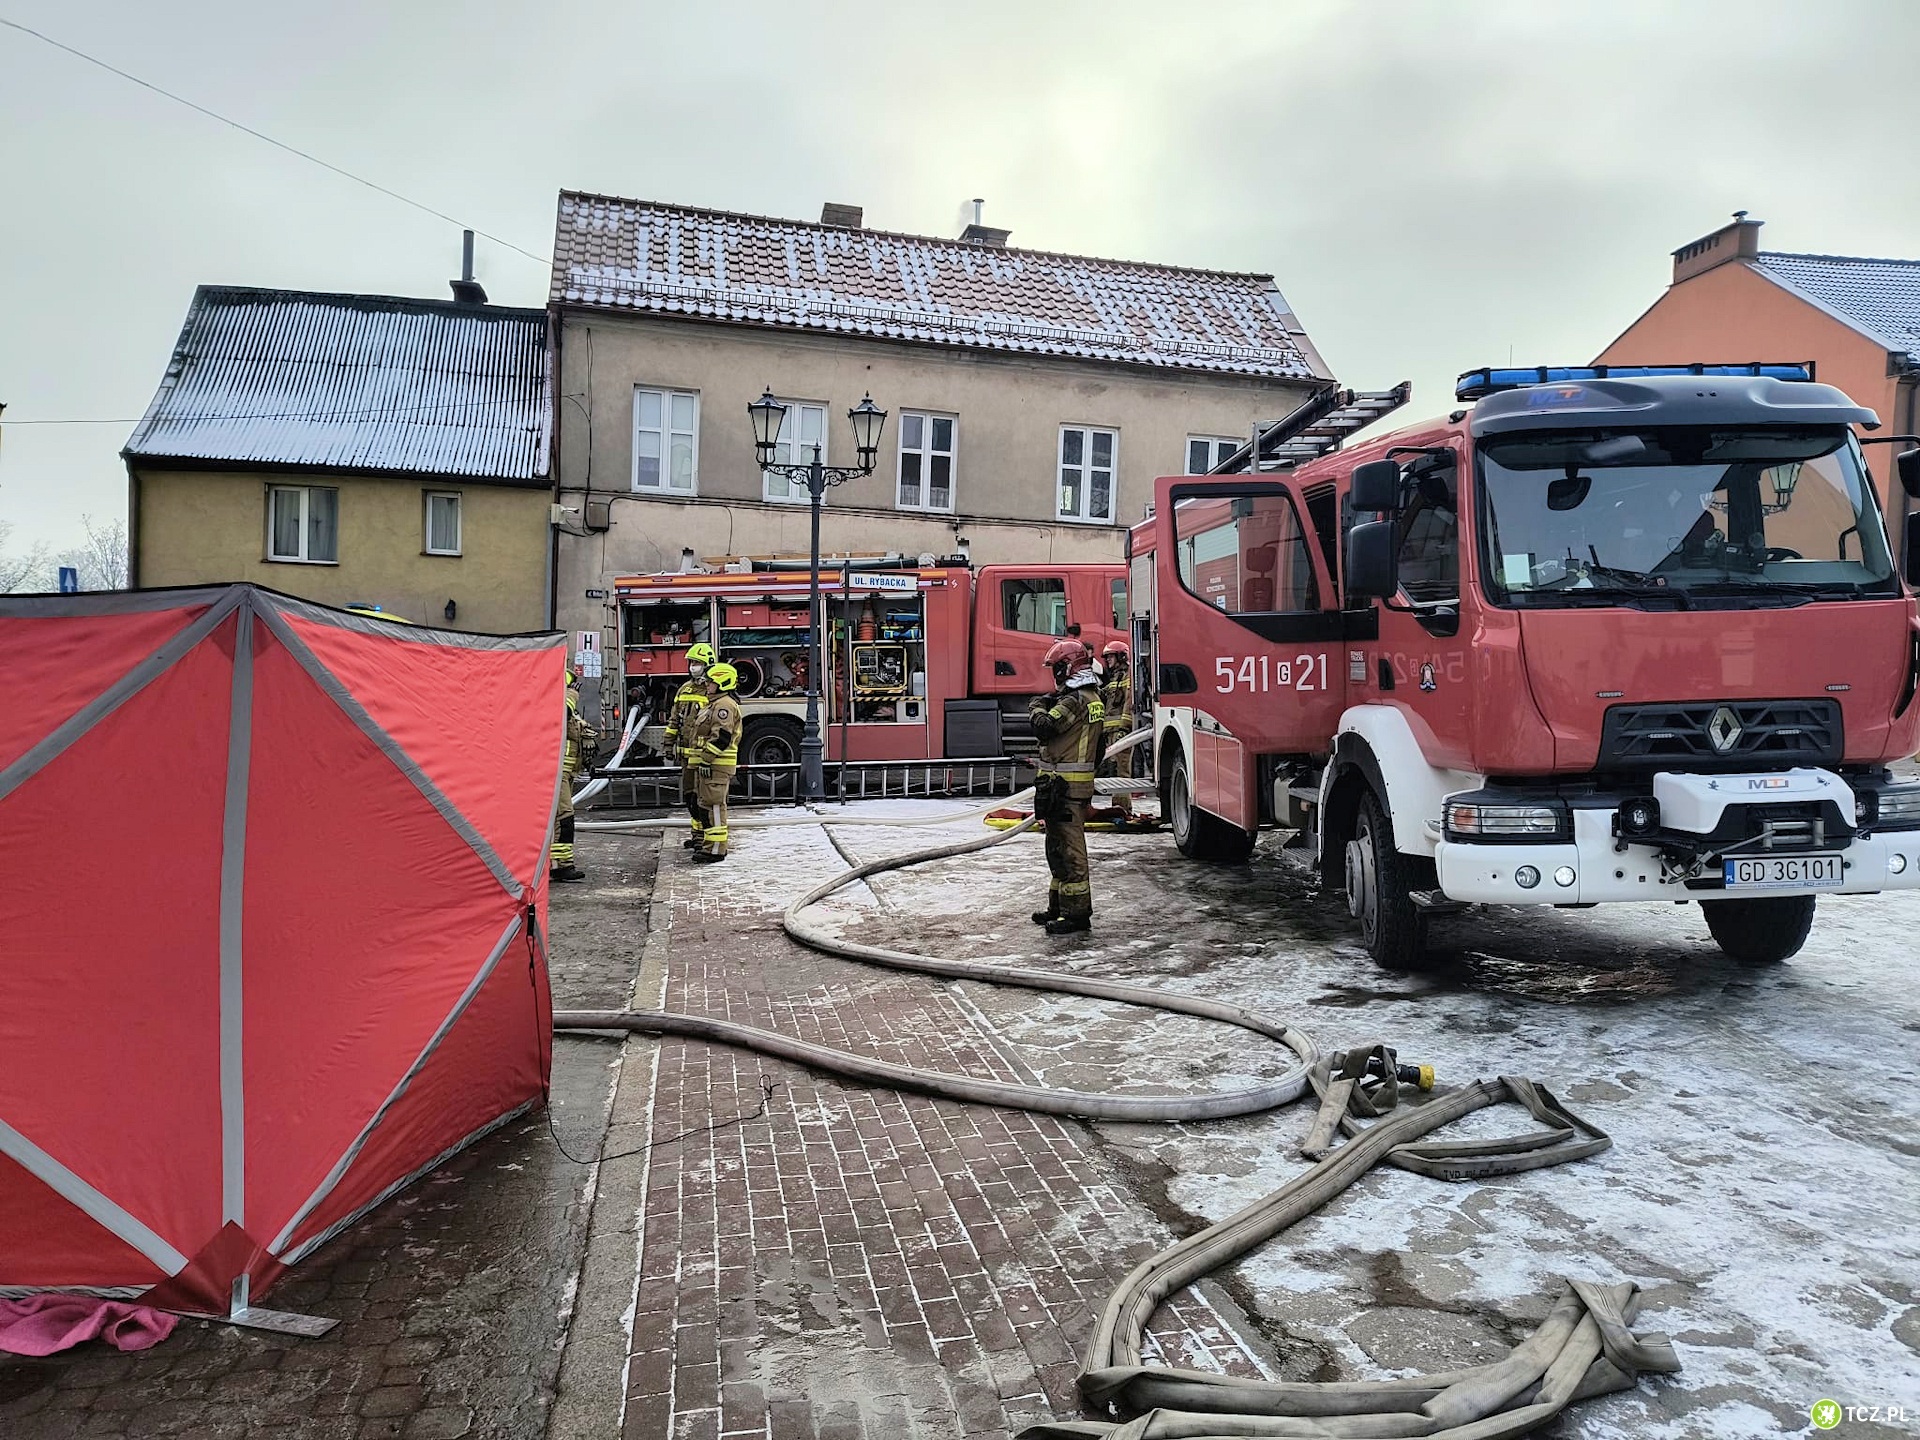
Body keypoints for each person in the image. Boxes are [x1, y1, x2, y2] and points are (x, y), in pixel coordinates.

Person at [1028, 639, 1105, 934]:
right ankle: (1058, 907)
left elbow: (1045, 727)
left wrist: (1036, 706)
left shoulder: (1076, 700)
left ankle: (1076, 915)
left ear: (1066, 667)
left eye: (1056, 668)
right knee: (1056, 848)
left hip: (1066, 788)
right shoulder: (1091, 697)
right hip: (1064, 787)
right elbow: (1096, 750)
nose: (1053, 675)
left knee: (1070, 852)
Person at [663, 644, 718, 850]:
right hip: (687, 756)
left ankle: (704, 836)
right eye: (692, 663)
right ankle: (697, 834)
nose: (693, 667)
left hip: (705, 757)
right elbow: (674, 719)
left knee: (704, 799)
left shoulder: (713, 691)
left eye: (697, 663)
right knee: (690, 797)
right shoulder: (684, 690)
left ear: (707, 665)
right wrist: (668, 744)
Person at [688, 661, 743, 863]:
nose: (707, 685)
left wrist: (707, 759)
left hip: (716, 765)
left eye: (711, 682)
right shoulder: (714, 703)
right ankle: (710, 847)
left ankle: (716, 850)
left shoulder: (724, 706)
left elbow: (722, 738)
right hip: (709, 765)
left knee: (715, 807)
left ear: (722, 683)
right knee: (706, 805)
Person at [550, 668, 599, 883]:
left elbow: (573, 727)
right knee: (563, 816)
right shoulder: (557, 707)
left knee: (563, 816)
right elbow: (561, 716)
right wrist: (570, 696)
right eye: (569, 686)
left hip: (566, 773)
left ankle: (559, 863)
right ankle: (561, 865)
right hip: (555, 773)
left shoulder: (568, 709)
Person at [1098, 639, 1134, 817]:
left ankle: (1123, 810)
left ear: (1121, 656)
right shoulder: (1115, 678)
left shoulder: (1128, 676)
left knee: (1122, 771)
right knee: (1114, 771)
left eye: (1111, 656)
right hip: (1111, 733)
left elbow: (1128, 703)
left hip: (1121, 733)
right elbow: (1105, 696)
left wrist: (1124, 728)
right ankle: (1117, 807)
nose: (1108, 660)